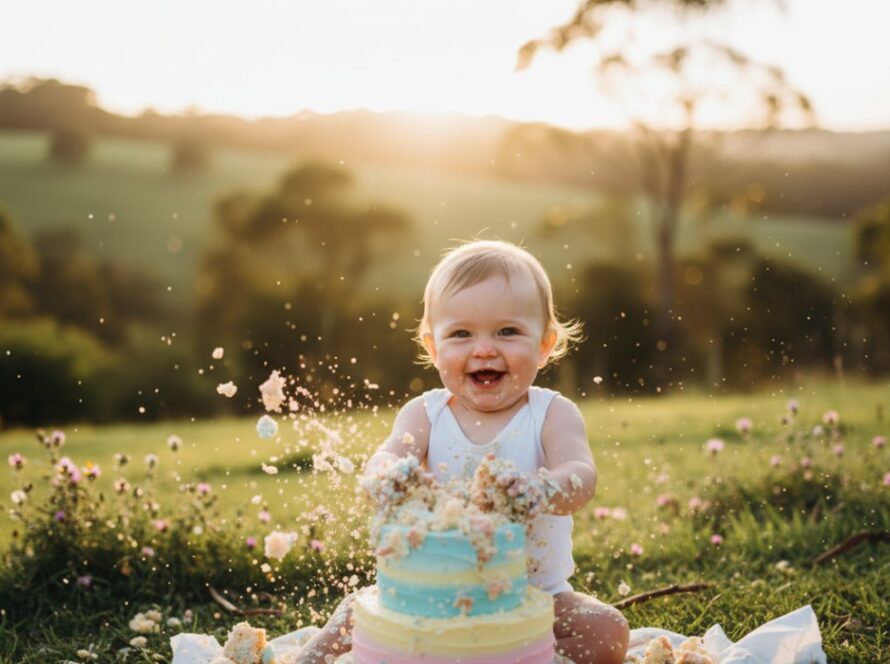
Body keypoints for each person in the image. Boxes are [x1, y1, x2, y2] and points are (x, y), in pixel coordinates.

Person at [298, 240, 629, 664]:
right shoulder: (425, 414)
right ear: (433, 347)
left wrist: (540, 489)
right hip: (428, 600)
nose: (485, 349)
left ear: (545, 344)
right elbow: (385, 456)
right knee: (356, 612)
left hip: (531, 600)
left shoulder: (551, 414)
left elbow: (581, 475)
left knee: (606, 631)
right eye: (461, 334)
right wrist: (391, 476)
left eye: (508, 331)